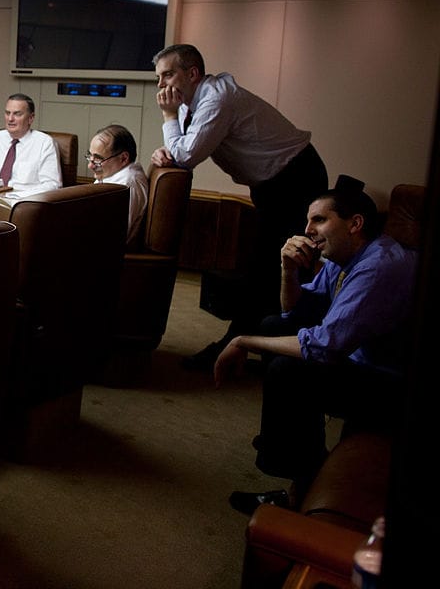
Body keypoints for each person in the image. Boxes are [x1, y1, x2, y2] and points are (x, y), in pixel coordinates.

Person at [213, 181, 416, 514]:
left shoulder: (379, 267)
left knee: (288, 372)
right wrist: (287, 268)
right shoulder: (345, 254)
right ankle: (293, 440)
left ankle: (299, 484)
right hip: (365, 356)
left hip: (394, 383)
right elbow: (293, 311)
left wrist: (241, 340)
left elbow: (324, 347)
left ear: (355, 223)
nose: (308, 230)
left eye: (319, 220)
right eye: (308, 222)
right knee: (272, 326)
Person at [151, 45, 328, 370]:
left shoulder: (215, 99)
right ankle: (262, 344)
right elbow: (184, 150)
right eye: (158, 77)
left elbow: (187, 156)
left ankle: (258, 348)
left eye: (168, 74)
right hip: (272, 183)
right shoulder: (197, 102)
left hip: (295, 177)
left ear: (192, 74)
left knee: (274, 267)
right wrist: (167, 150)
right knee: (266, 267)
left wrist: (168, 117)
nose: (162, 85)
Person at [0, 93, 62, 203]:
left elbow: (53, 185)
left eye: (17, 114)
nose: (10, 119)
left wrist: (15, 196)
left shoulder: (44, 143)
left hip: (23, 202)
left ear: (31, 118)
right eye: (7, 113)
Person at [87, 124, 149, 248]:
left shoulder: (126, 184)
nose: (90, 166)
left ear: (123, 158)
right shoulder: (112, 176)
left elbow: (111, 237)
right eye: (89, 157)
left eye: (98, 160)